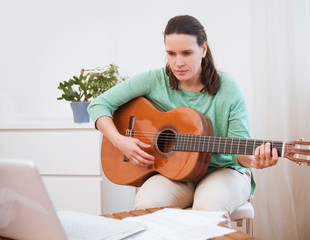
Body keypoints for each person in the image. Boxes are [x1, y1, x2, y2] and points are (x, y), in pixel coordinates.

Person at [88, 15, 278, 221]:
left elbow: (239, 150)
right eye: (171, 53)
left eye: (187, 53)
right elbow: (99, 105)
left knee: (208, 208)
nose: (178, 63)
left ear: (203, 49)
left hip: (224, 170)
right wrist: (120, 141)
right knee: (146, 207)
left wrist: (254, 160)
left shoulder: (229, 88)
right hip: (174, 174)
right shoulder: (154, 80)